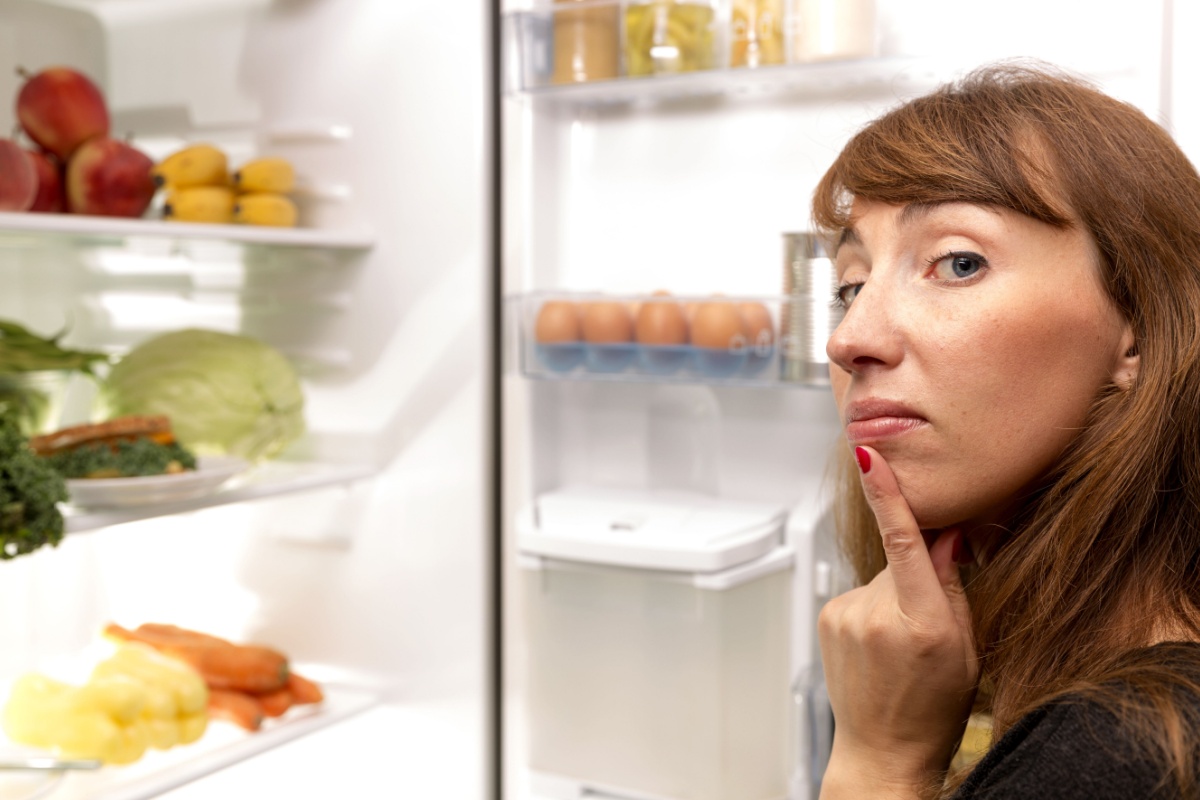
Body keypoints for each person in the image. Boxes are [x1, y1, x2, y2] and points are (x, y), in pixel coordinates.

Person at [812, 61, 1200, 800]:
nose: (850, 338)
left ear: (1141, 331)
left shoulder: (1128, 749)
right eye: (850, 288)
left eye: (958, 263)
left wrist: (877, 763)